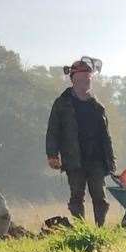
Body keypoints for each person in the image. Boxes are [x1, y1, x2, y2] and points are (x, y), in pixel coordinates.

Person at [45, 57, 115, 226]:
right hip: (73, 158)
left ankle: (100, 228)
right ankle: (80, 229)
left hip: (96, 159)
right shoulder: (62, 104)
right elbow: (53, 131)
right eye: (81, 78)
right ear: (73, 80)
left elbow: (106, 137)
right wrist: (52, 155)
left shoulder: (98, 106)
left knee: (100, 196)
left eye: (88, 78)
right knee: (77, 195)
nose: (85, 81)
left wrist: (111, 162)